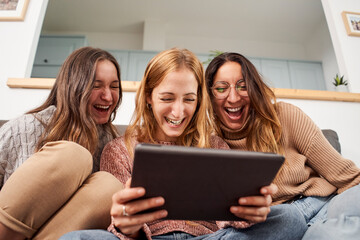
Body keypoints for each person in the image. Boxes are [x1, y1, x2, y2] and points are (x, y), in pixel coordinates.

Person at [60, 48, 307, 240]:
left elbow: (225, 221)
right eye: (167, 98)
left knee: (289, 219)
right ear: (148, 96)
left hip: (211, 237)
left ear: (199, 100)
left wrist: (245, 216)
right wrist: (129, 226)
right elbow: (123, 227)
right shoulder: (118, 149)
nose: (178, 112)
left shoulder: (215, 146)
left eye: (189, 99)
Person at [204, 52, 360, 239]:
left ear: (254, 89)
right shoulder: (208, 144)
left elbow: (348, 177)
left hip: (323, 202)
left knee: (339, 231)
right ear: (209, 95)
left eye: (243, 86)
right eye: (221, 88)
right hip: (278, 222)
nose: (233, 97)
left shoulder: (285, 115)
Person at [0, 47, 124, 240]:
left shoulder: (111, 145)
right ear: (73, 86)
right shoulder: (24, 128)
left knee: (110, 185)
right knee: (74, 156)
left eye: (114, 86)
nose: (108, 96)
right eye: (96, 85)